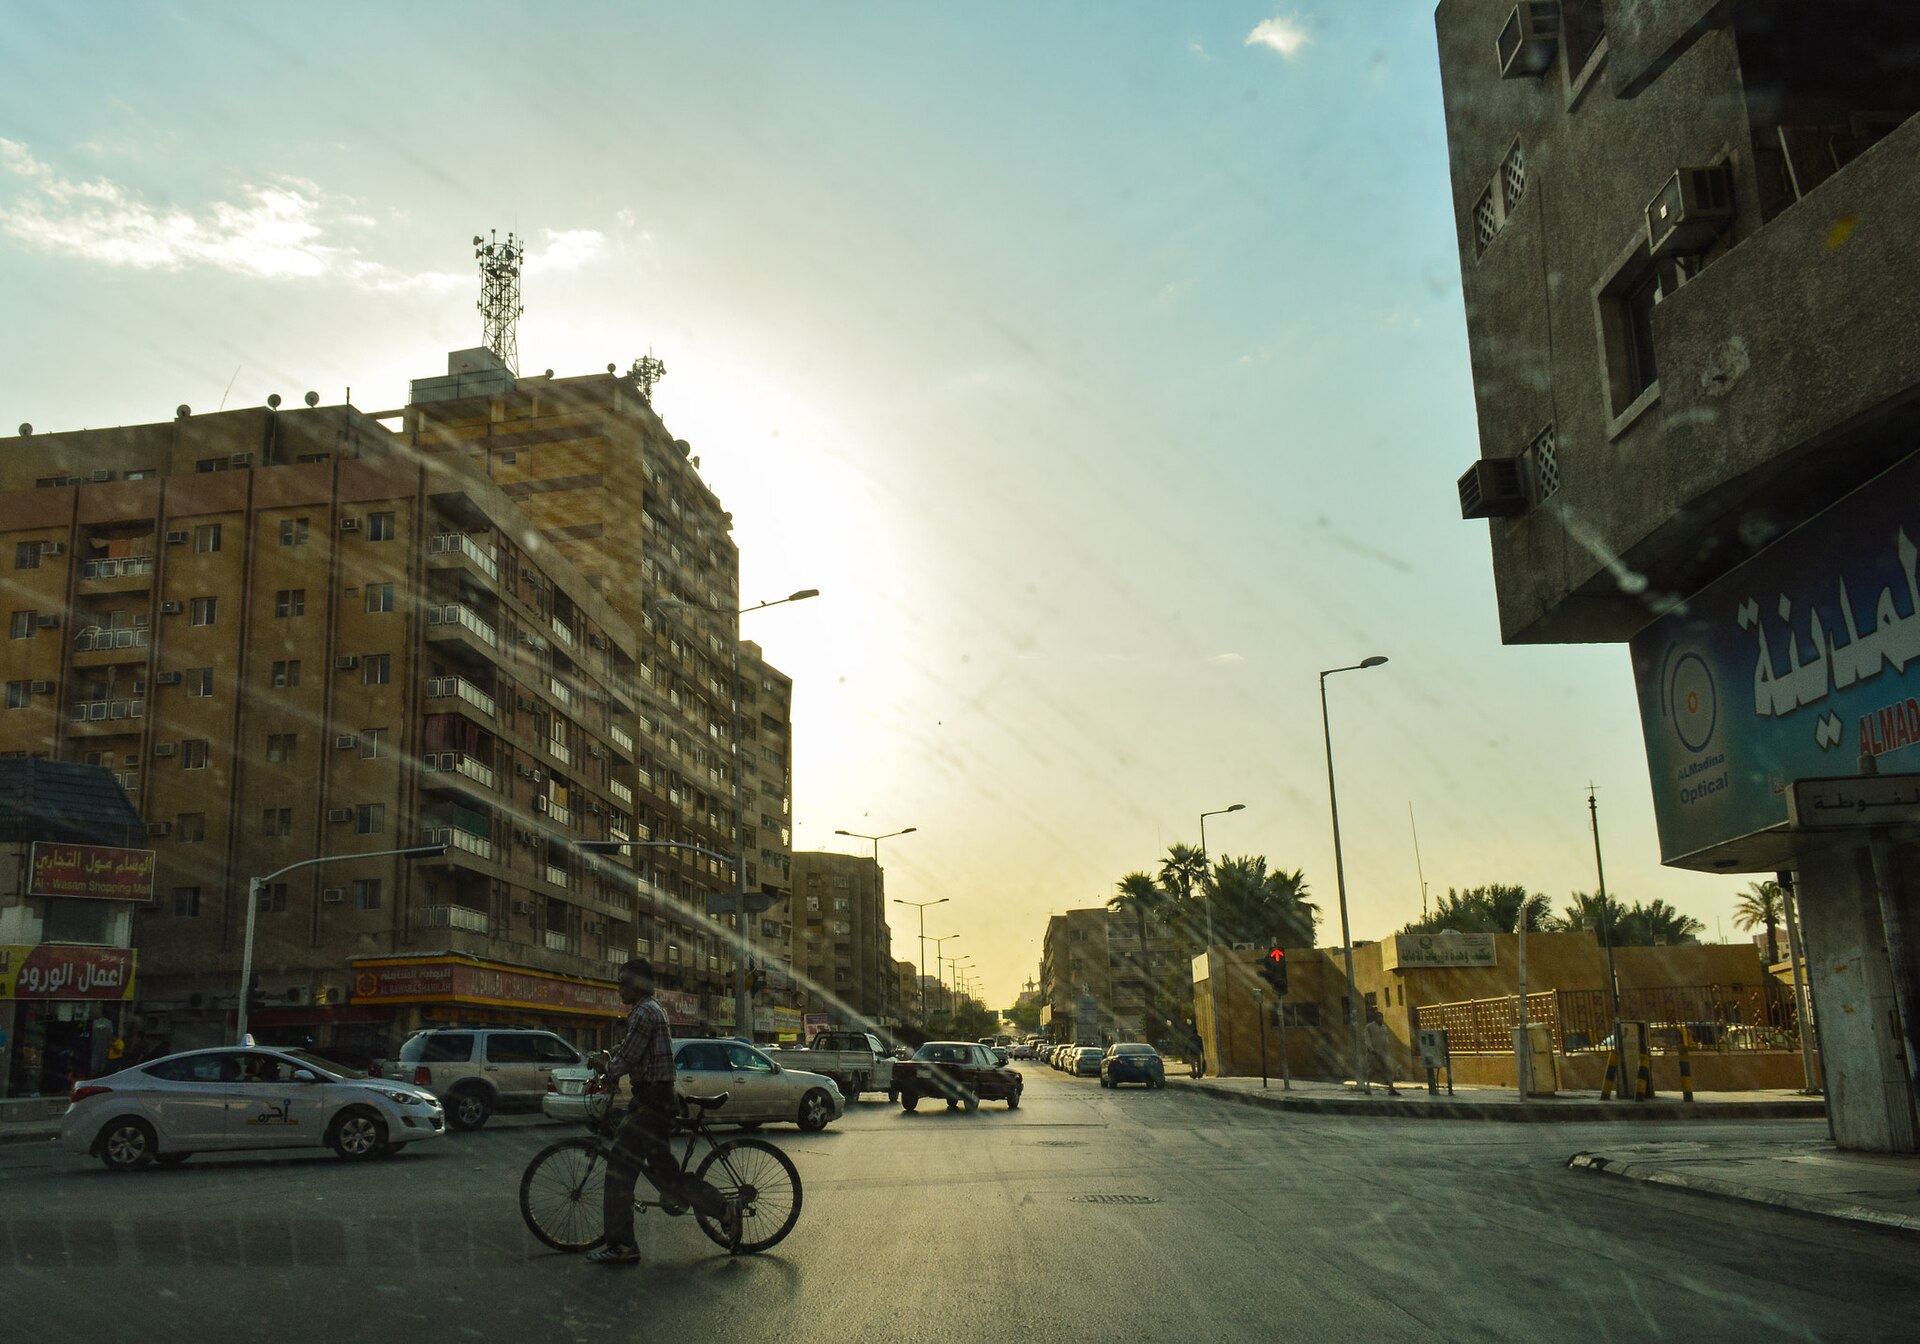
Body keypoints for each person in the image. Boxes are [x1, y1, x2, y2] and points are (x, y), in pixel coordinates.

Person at [587, 958, 737, 1265]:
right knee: (666, 1177)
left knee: (619, 1168)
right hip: (656, 1099)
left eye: (623, 982)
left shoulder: (643, 1012)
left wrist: (609, 1069)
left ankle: (622, 1246)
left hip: (651, 1101)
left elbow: (628, 1056)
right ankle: (723, 1208)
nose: (619, 989)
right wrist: (610, 1058)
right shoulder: (651, 1009)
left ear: (638, 984)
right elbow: (630, 1048)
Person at [1364, 1008, 1401, 1096]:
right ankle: (1367, 1088)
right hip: (1374, 1052)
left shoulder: (1384, 1027)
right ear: (1375, 1018)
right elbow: (1367, 1039)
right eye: (1378, 1017)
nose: (1380, 1019)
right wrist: (1371, 1049)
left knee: (1389, 1069)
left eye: (1381, 1017)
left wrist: (1388, 1050)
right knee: (1371, 1070)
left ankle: (1391, 1089)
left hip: (1384, 1053)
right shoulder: (1369, 1027)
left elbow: (1386, 1039)